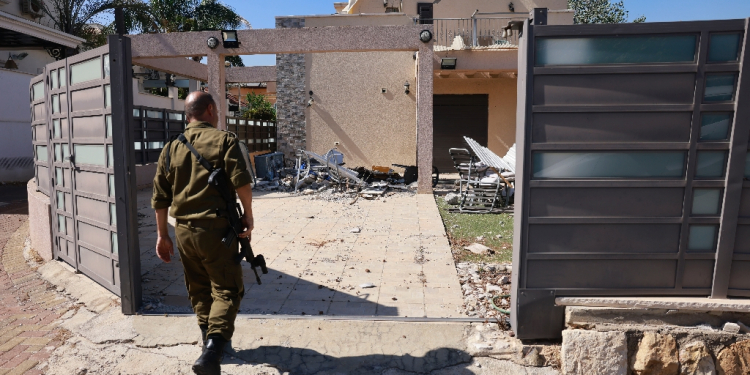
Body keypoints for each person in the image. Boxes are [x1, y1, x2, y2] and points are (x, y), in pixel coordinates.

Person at [151, 91, 254, 375]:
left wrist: (162, 235)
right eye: (217, 109)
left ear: (188, 114)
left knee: (198, 288)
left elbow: (160, 198)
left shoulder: (170, 147)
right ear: (210, 109)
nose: (218, 114)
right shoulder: (224, 140)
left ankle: (206, 342)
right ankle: (213, 350)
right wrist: (248, 215)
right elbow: (242, 183)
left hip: (183, 231)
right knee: (228, 289)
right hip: (217, 231)